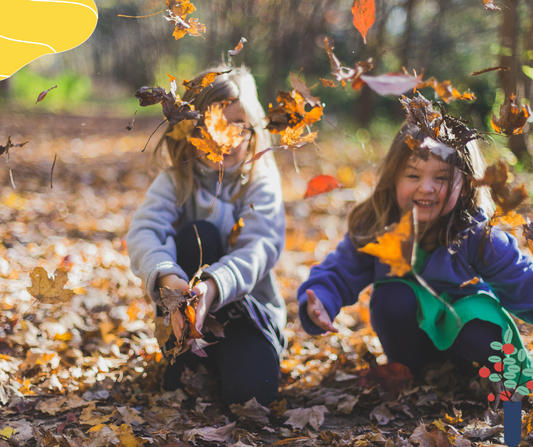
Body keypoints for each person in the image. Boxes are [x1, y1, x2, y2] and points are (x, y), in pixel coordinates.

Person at [298, 94, 533, 378]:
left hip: (465, 330)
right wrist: (321, 299)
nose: (427, 188)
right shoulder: (378, 225)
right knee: (393, 295)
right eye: (413, 176)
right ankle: (409, 373)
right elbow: (340, 271)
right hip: (409, 338)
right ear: (394, 178)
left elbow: (522, 283)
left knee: (479, 318)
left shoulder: (477, 235)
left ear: (467, 185)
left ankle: (482, 376)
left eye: (441, 178)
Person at [127, 66, 286, 406]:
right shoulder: (176, 180)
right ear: (190, 129)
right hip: (184, 318)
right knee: (198, 234)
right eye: (212, 125)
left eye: (237, 126)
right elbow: (145, 231)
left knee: (252, 398)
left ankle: (235, 362)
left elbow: (261, 246)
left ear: (252, 129)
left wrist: (212, 288)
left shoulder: (259, 181)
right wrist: (169, 278)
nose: (225, 138)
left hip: (247, 316)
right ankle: (186, 357)